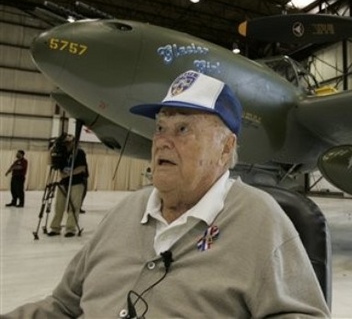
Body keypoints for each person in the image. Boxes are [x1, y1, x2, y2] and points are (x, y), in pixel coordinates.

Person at [4, 70, 329, 318]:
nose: (162, 141)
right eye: (160, 128)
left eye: (183, 129)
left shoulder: (260, 220)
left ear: (225, 147)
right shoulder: (124, 212)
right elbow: (61, 306)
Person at [46, 135, 88, 238]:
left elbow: (82, 168)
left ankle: (70, 228)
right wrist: (51, 151)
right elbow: (52, 165)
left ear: (74, 142)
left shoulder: (79, 152)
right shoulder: (62, 153)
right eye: (65, 142)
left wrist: (69, 174)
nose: (67, 144)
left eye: (69, 142)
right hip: (64, 182)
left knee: (74, 206)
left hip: (77, 181)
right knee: (59, 205)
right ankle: (55, 228)